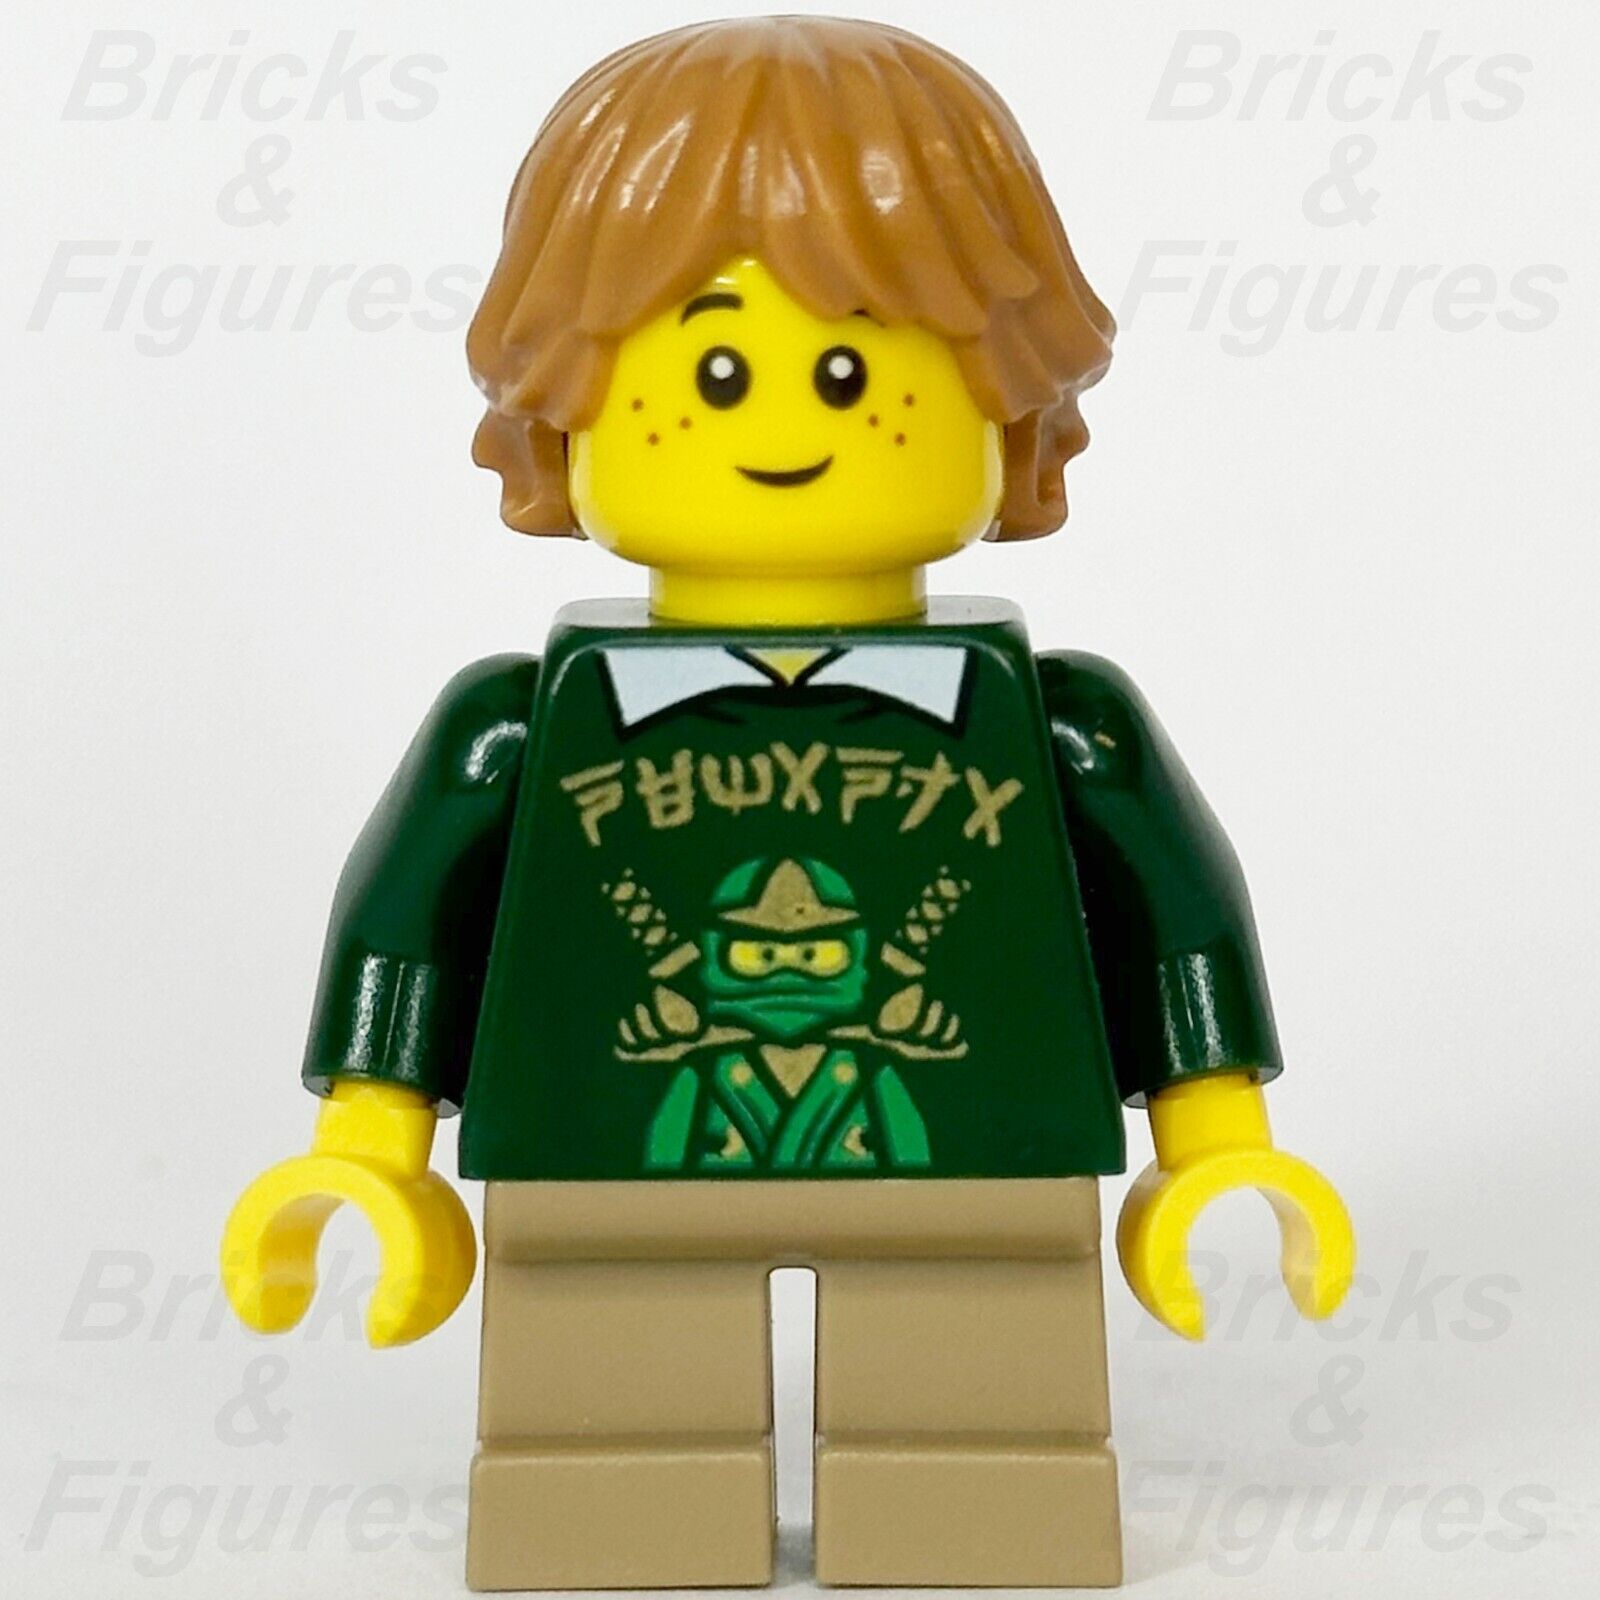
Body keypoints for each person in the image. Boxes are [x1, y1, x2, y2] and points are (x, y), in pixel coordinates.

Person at [222, 17, 1354, 1589]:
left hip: (981, 1163)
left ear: (1008, 399)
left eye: (849, 369)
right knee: (602, 1427)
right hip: (603, 1162)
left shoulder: (1059, 723)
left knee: (985, 1426)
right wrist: (368, 1146)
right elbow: (408, 914)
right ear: (562, 401)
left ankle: (977, 1509)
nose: (780, 423)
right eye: (713, 368)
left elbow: (1176, 907)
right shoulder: (517, 728)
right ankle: (610, 1511)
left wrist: (1213, 1143)